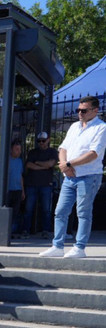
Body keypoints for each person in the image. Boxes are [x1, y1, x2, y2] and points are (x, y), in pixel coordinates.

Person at [40, 96, 106, 259]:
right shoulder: (75, 126)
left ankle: (80, 248)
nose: (80, 113)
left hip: (89, 176)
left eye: (84, 110)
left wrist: (69, 165)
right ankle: (57, 246)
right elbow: (63, 148)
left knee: (83, 212)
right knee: (60, 211)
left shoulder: (101, 127)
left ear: (95, 110)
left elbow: (93, 154)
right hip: (70, 176)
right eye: (78, 110)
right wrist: (64, 165)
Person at [22, 132, 58, 239]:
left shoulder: (52, 151)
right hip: (32, 184)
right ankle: (25, 230)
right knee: (28, 209)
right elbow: (28, 164)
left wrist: (37, 163)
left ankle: (45, 230)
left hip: (46, 184)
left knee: (46, 210)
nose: (41, 143)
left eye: (43, 140)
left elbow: (51, 164)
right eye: (39, 141)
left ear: (48, 140)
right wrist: (44, 165)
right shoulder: (33, 152)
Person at [6, 140, 25, 238]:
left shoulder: (20, 161)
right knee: (7, 211)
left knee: (15, 212)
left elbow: (21, 176)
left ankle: (12, 232)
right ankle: (6, 232)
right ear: (11, 150)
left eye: (20, 149)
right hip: (8, 190)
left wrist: (23, 191)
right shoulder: (6, 161)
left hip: (18, 190)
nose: (19, 151)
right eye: (16, 149)